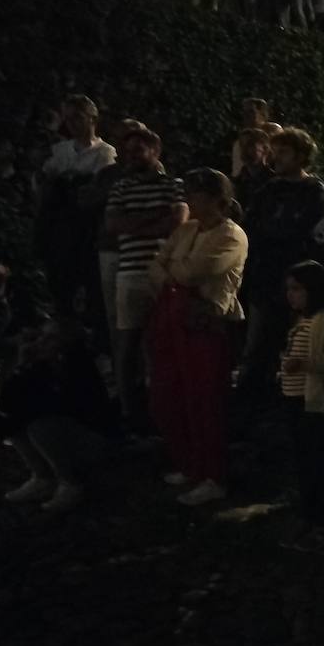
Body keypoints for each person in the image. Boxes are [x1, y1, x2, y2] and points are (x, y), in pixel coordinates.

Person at [147, 168, 248, 506]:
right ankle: (190, 463)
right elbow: (156, 266)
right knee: (173, 391)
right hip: (173, 320)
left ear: (215, 199)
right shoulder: (188, 229)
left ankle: (213, 474)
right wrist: (175, 274)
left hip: (205, 324)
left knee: (205, 398)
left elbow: (190, 272)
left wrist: (173, 273)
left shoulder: (231, 236)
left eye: (195, 193)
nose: (188, 199)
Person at [239, 128, 324, 398]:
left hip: (296, 281)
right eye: (274, 151)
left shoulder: (315, 192)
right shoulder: (267, 190)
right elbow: (250, 228)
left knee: (295, 346)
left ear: (301, 156)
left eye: (284, 152)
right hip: (265, 279)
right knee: (256, 348)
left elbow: (316, 236)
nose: (276, 158)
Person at [105, 129, 186, 426]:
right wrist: (156, 220)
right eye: (128, 151)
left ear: (155, 150)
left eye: (139, 150)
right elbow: (113, 225)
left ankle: (164, 409)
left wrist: (133, 224)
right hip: (130, 273)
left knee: (163, 344)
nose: (132, 156)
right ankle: (131, 412)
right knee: (127, 346)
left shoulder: (174, 185)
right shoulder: (120, 187)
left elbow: (177, 223)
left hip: (163, 275)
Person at [0, 318, 110, 513]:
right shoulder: (42, 366)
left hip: (91, 436)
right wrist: (22, 366)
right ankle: (42, 478)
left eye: (51, 339)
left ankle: (71, 483)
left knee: (40, 424)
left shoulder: (79, 367)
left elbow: (69, 407)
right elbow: (5, 404)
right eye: (42, 337)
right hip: (65, 431)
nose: (41, 343)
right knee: (13, 421)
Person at [36, 95, 116, 321]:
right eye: (68, 119)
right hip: (60, 227)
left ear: (92, 119)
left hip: (85, 228)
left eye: (77, 118)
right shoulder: (60, 149)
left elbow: (98, 186)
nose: (72, 124)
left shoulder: (105, 153)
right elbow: (46, 180)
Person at [279, 260, 324, 530]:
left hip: (314, 401)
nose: (290, 295)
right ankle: (310, 507)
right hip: (295, 397)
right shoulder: (301, 321)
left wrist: (305, 364)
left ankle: (322, 512)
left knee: (318, 456)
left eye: (297, 289)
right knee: (303, 455)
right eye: (289, 289)